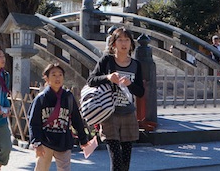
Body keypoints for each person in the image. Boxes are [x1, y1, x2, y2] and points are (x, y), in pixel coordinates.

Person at [86, 27, 145, 171]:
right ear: (113, 44)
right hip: (109, 114)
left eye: (127, 40)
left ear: (131, 44)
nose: (123, 43)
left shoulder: (136, 65)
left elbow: (141, 92)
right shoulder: (107, 61)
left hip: (128, 114)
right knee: (116, 159)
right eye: (120, 40)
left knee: (126, 160)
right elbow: (90, 80)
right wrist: (107, 77)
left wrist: (130, 84)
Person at [29, 63, 90, 171]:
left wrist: (83, 139)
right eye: (53, 75)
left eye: (60, 75)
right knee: (41, 168)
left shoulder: (68, 97)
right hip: (45, 141)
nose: (57, 78)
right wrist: (36, 143)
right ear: (46, 78)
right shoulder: (41, 99)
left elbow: (76, 119)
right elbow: (34, 122)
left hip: (63, 140)